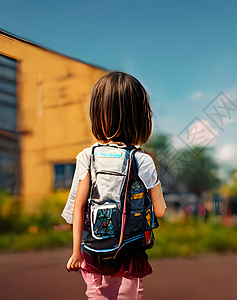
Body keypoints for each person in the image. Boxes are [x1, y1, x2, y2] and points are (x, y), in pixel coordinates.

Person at [61, 71, 166, 299]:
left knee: (97, 294)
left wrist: (75, 254)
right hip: (129, 250)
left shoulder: (87, 156)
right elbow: (160, 210)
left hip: (93, 250)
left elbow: (77, 208)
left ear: (97, 114)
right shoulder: (143, 160)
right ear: (141, 117)